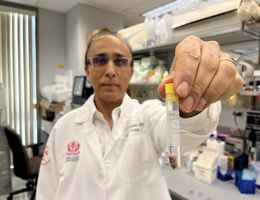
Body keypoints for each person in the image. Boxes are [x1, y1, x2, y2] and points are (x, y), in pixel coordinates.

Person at [36, 29, 243, 200]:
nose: (110, 70)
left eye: (120, 61)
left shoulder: (146, 114)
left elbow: (182, 130)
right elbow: (45, 193)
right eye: (100, 60)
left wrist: (193, 101)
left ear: (131, 71)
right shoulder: (63, 128)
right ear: (87, 70)